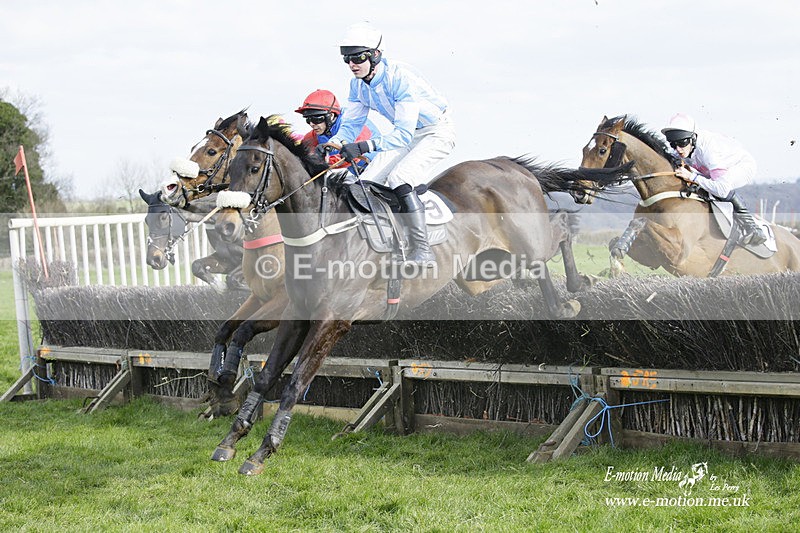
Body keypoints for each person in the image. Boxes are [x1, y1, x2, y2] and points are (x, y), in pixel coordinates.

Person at [325, 22, 456, 267]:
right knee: (363, 184)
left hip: (435, 132)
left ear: (375, 55)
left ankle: (422, 250)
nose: (352, 65)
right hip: (407, 135)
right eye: (347, 59)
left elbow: (403, 136)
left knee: (399, 177)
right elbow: (351, 125)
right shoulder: (357, 85)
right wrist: (334, 143)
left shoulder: (400, 78)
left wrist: (363, 147)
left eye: (358, 57)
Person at [662, 113, 767, 246]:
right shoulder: (684, 146)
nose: (678, 149)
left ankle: (753, 229)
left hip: (741, 165)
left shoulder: (710, 152)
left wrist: (692, 177)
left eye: (682, 143)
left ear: (693, 138)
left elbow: (722, 189)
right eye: (673, 144)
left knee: (718, 189)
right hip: (714, 169)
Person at [294, 89, 373, 173]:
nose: (311, 124)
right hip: (353, 171)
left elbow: (354, 155)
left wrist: (319, 161)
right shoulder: (317, 133)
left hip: (374, 167)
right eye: (308, 119)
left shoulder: (353, 123)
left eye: (316, 119)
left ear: (331, 116)